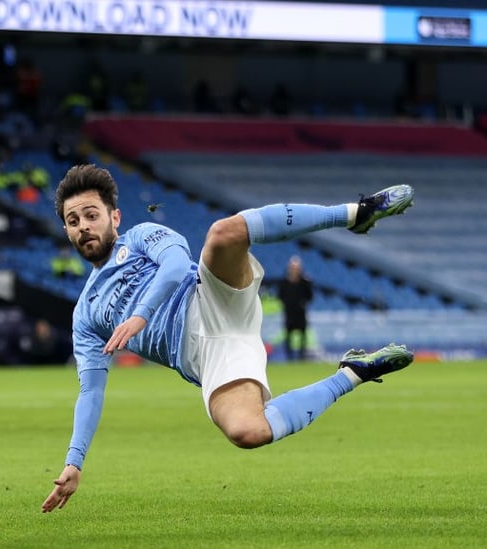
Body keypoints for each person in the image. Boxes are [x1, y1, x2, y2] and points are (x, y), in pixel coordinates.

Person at [41, 164, 416, 513]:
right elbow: (90, 391)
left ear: (114, 217)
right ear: (66, 231)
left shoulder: (140, 236)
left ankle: (355, 213)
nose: (84, 226)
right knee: (247, 431)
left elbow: (175, 264)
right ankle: (352, 373)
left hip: (209, 298)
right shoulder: (86, 314)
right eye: (73, 221)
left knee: (224, 233)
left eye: (92, 215)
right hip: (206, 358)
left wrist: (142, 315)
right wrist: (74, 462)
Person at [277, 255, 314, 360]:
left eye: (297, 268)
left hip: (301, 313)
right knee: (288, 335)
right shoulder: (283, 282)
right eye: (293, 268)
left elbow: (310, 296)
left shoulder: (305, 282)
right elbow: (280, 296)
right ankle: (289, 357)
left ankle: (302, 356)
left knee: (303, 335)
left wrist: (303, 303)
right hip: (289, 313)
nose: (295, 270)